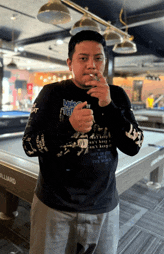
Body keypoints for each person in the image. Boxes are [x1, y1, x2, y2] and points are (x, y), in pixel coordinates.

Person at [23, 30, 144, 254]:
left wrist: (109, 106)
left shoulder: (116, 95)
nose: (91, 65)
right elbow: (29, 145)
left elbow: (134, 145)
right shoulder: (51, 93)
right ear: (70, 63)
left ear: (105, 62)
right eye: (83, 58)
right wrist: (68, 126)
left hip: (104, 206)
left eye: (98, 58)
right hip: (53, 206)